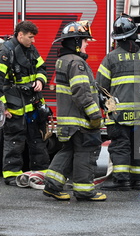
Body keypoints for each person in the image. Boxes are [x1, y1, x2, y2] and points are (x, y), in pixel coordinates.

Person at [43, 21, 106, 201]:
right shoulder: (77, 63)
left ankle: (52, 185)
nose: (87, 44)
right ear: (76, 43)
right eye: (85, 41)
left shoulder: (63, 60)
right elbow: (81, 92)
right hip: (80, 121)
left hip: (68, 121)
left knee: (68, 150)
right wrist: (94, 115)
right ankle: (84, 191)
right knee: (87, 152)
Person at [0, 20, 50, 186]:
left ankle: (41, 172)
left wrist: (40, 80)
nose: (34, 41)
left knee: (38, 140)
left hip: (32, 104)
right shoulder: (5, 52)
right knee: (14, 142)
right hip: (14, 106)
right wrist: (2, 107)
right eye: (30, 37)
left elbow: (42, 68)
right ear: (20, 35)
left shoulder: (31, 49)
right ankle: (12, 175)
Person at [96, 13, 140, 191]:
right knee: (138, 145)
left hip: (118, 114)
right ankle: (138, 180)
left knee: (120, 146)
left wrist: (107, 109)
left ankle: (121, 180)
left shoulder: (111, 58)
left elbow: (101, 87)